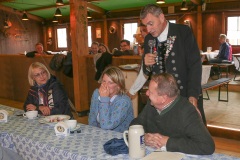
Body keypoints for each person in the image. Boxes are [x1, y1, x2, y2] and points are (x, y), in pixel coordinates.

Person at [129, 4, 206, 124]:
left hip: (184, 94)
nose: (148, 30)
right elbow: (146, 72)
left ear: (161, 17)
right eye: (145, 25)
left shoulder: (183, 32)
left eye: (151, 23)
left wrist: (193, 95)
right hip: (161, 99)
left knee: (190, 134)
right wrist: (146, 64)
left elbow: (195, 66)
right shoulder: (149, 39)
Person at [130, 73, 215, 155]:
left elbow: (207, 146)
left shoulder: (187, 111)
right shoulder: (151, 104)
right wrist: (143, 137)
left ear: (163, 98)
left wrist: (167, 142)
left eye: (150, 92)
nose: (147, 93)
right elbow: (134, 125)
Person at [88, 66, 134, 132]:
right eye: (104, 81)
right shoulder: (96, 93)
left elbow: (106, 126)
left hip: (118, 138)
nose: (105, 85)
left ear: (119, 85)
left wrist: (104, 99)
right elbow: (92, 118)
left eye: (110, 82)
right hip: (100, 135)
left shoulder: (124, 101)